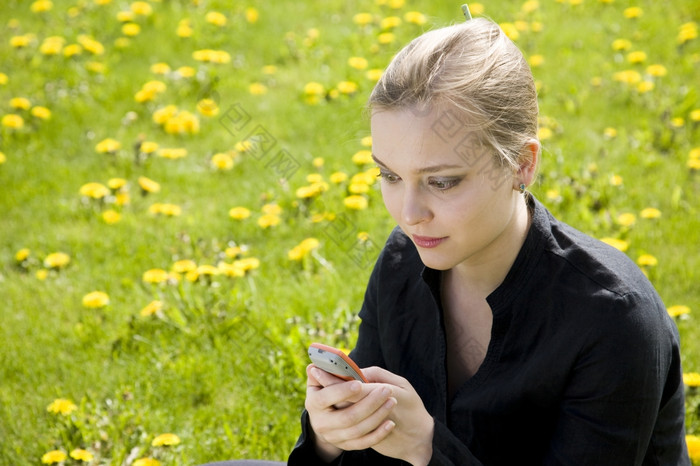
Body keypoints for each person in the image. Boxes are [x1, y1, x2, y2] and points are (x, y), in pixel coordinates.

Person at [287, 11, 690, 466]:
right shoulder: (403, 261)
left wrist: (426, 448)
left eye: (442, 181)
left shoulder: (612, 318)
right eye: (390, 175)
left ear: (521, 164)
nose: (409, 214)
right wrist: (332, 438)